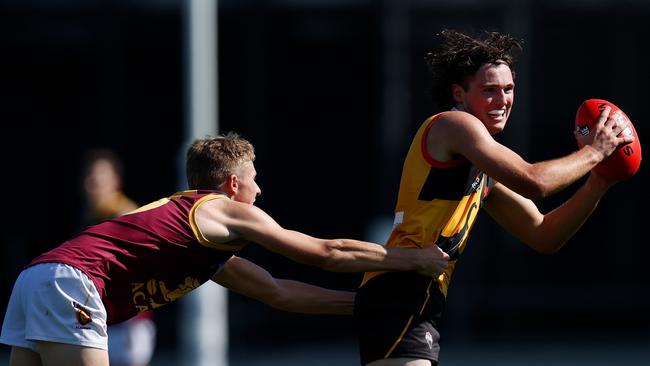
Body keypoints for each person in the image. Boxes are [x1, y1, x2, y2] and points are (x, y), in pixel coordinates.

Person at [0, 133, 450, 366]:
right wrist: (417, 258)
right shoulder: (222, 208)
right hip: (72, 282)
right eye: (254, 179)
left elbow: (278, 292)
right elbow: (325, 251)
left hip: (39, 278)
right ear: (234, 184)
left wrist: (366, 305)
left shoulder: (197, 236)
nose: (260, 188)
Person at [354, 29, 635, 366]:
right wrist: (595, 153)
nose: (502, 101)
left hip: (416, 299)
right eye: (489, 91)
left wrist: (597, 183)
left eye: (508, 89)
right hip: (399, 293)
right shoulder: (454, 124)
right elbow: (535, 182)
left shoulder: (482, 169)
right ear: (459, 94)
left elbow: (544, 234)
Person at [80, 149, 156, 366]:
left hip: (128, 323)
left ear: (115, 181)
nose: (92, 186)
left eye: (98, 180)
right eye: (89, 180)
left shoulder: (125, 216)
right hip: (103, 321)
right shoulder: (91, 217)